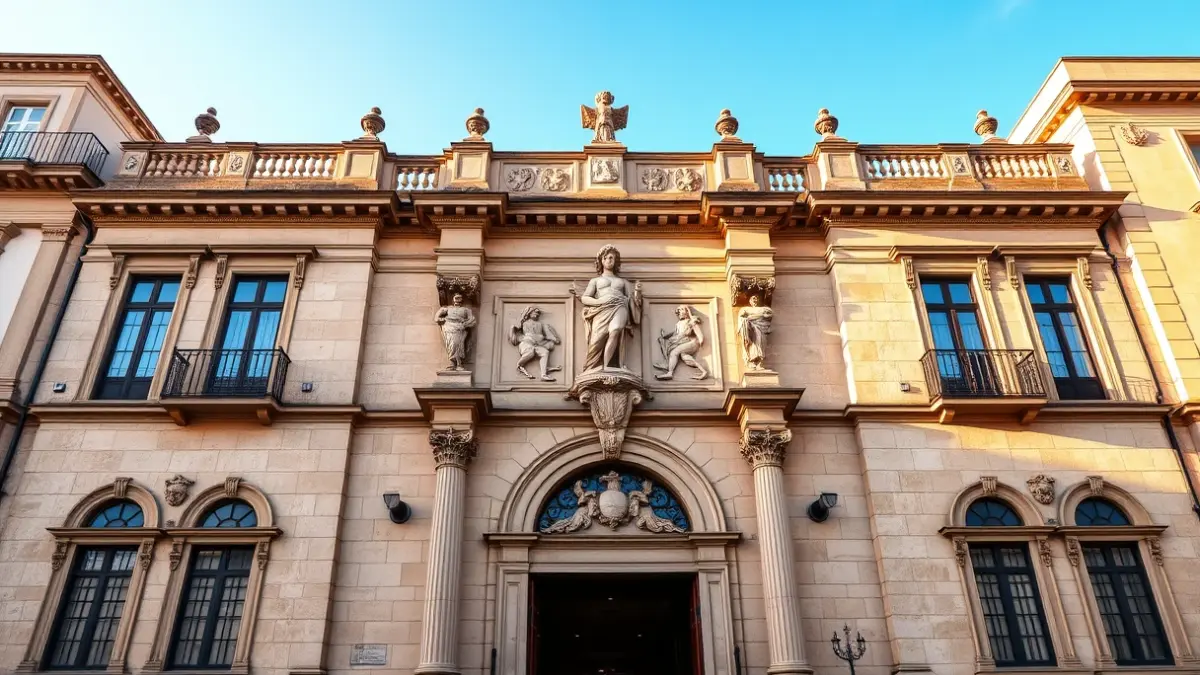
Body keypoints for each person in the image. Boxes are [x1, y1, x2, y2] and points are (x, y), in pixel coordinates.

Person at [572, 245, 642, 371]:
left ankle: (608, 366)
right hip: (602, 309)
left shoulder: (623, 282)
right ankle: (591, 367)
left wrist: (637, 292)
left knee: (615, 330)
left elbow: (632, 300)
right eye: (607, 258)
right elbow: (585, 298)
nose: (610, 260)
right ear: (602, 260)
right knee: (596, 341)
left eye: (612, 258)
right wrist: (600, 301)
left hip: (620, 306)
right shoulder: (595, 281)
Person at [653, 305, 708, 380]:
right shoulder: (679, 323)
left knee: (674, 352)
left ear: (686, 311)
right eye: (678, 311)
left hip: (692, 343)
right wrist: (665, 336)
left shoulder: (691, 321)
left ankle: (669, 373)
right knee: (684, 357)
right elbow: (676, 333)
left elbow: (699, 333)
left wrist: (701, 340)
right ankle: (704, 372)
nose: (679, 312)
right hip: (684, 342)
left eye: (681, 310)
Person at [509, 306, 562, 381]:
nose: (537, 314)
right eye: (535, 312)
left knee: (545, 352)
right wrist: (513, 329)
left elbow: (547, 335)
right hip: (526, 343)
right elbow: (516, 329)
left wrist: (554, 338)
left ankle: (543, 374)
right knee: (530, 352)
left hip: (536, 344)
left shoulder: (540, 324)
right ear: (529, 313)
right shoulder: (524, 323)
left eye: (538, 313)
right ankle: (519, 365)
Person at [434, 293, 476, 371]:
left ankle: (459, 363)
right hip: (449, 326)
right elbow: (437, 316)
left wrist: (465, 324)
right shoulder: (448, 308)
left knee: (458, 344)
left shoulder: (466, 310)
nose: (457, 299)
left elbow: (472, 319)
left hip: (460, 328)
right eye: (456, 298)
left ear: (462, 299)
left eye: (459, 298)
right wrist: (439, 319)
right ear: (453, 299)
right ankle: (452, 363)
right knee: (451, 344)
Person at [736, 295, 774, 371]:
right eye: (753, 298)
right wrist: (747, 320)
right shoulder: (746, 309)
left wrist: (761, 316)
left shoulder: (763, 309)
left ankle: (759, 363)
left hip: (761, 328)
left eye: (756, 298)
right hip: (752, 328)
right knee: (754, 343)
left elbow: (770, 314)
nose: (755, 300)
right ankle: (752, 361)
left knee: (760, 343)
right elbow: (741, 317)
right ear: (750, 301)